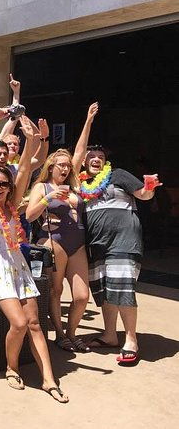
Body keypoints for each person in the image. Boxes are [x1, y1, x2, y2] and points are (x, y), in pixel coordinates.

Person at [0, 112, 69, 403]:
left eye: (3, 184)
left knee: (34, 323)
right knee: (18, 324)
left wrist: (31, 140)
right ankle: (12, 367)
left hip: (19, 266)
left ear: (9, 188)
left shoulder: (13, 206)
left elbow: (25, 170)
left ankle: (48, 379)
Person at [71, 102, 160, 363]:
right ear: (85, 161)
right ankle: (110, 335)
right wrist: (88, 121)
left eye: (100, 156)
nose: (95, 158)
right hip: (96, 244)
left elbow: (143, 195)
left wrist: (150, 187)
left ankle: (131, 339)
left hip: (124, 242)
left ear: (106, 161)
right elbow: (77, 153)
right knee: (104, 291)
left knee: (123, 290)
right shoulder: (80, 183)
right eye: (91, 156)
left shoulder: (118, 175)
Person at [26, 149, 90, 352]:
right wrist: (48, 198)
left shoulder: (74, 188)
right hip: (54, 240)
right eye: (61, 165)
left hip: (77, 243)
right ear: (51, 167)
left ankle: (72, 333)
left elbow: (80, 152)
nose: (65, 168)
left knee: (82, 296)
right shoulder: (42, 187)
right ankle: (61, 335)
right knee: (56, 290)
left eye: (68, 165)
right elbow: (29, 215)